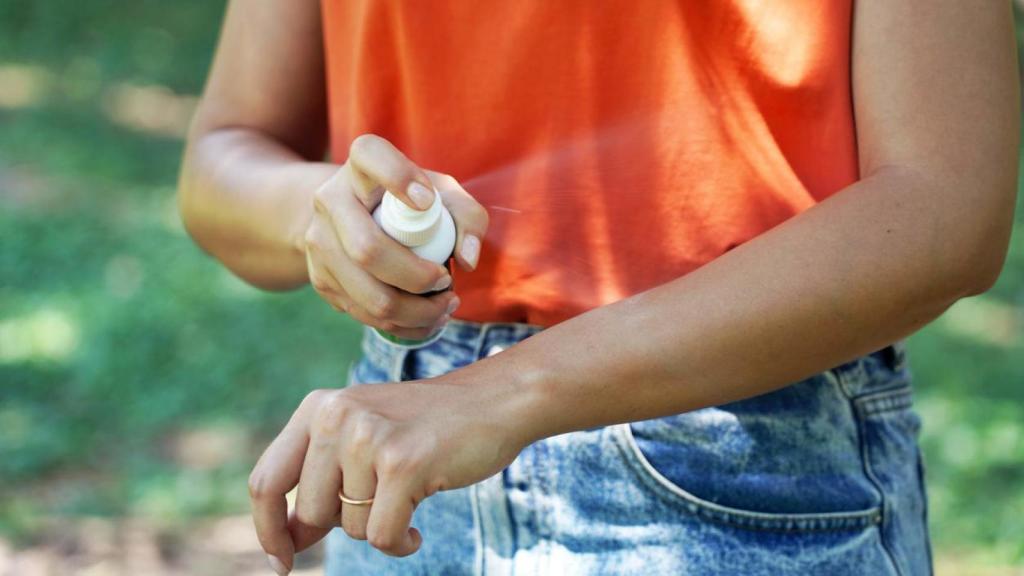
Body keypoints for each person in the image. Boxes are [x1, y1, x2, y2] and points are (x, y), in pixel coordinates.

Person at [177, 1, 1019, 574]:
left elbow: (948, 207)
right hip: (398, 457)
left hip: (741, 457)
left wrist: (500, 395)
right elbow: (224, 153)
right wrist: (322, 217)